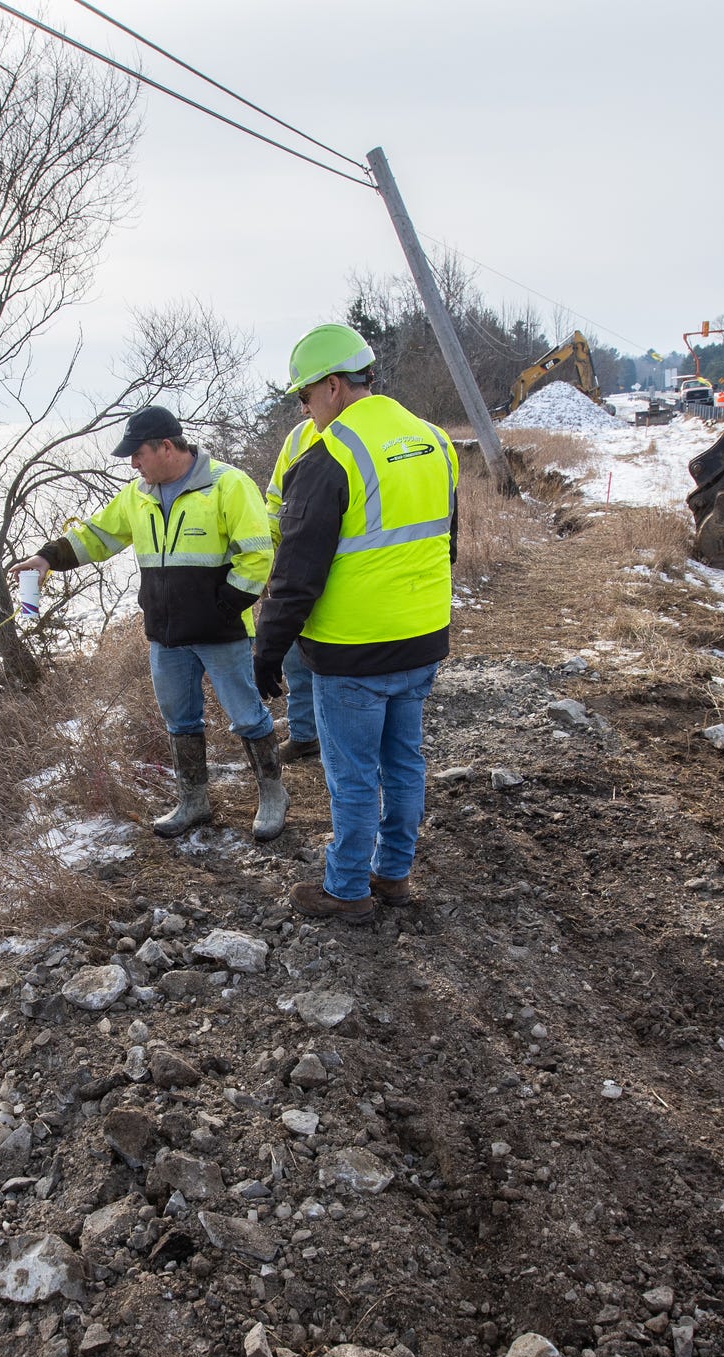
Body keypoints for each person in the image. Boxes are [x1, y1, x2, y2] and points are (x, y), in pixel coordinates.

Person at [253, 325, 457, 921]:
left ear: (335, 386)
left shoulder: (331, 455)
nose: (304, 410)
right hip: (421, 640)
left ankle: (346, 890)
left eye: (305, 397)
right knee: (404, 762)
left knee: (353, 777)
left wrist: (268, 651)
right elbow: (445, 544)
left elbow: (296, 574)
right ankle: (393, 875)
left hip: (352, 650)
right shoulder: (435, 440)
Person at [11, 405, 289, 841]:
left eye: (137, 454)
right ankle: (193, 801)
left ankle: (273, 794)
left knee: (246, 716)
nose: (132, 464)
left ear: (165, 446)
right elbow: (95, 537)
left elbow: (257, 556)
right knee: (180, 720)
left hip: (221, 633)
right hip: (165, 637)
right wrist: (47, 558)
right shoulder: (137, 495)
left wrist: (222, 608)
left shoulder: (227, 484)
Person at [262, 402, 323, 764]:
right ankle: (304, 735)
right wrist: (269, 559)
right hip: (293, 565)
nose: (302, 407)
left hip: (346, 573)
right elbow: (274, 502)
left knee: (336, 667)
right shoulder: (300, 436)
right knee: (293, 658)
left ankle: (334, 738)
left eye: (308, 394)